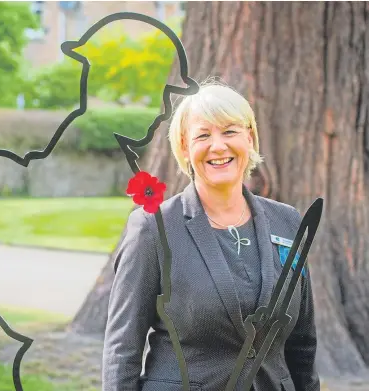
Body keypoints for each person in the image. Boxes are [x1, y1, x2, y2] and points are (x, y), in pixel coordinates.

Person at [102, 81, 320, 391]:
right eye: (203, 135)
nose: (218, 146)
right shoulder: (153, 229)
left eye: (230, 131)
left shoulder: (288, 223)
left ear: (250, 138)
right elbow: (121, 351)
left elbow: (303, 344)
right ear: (185, 147)